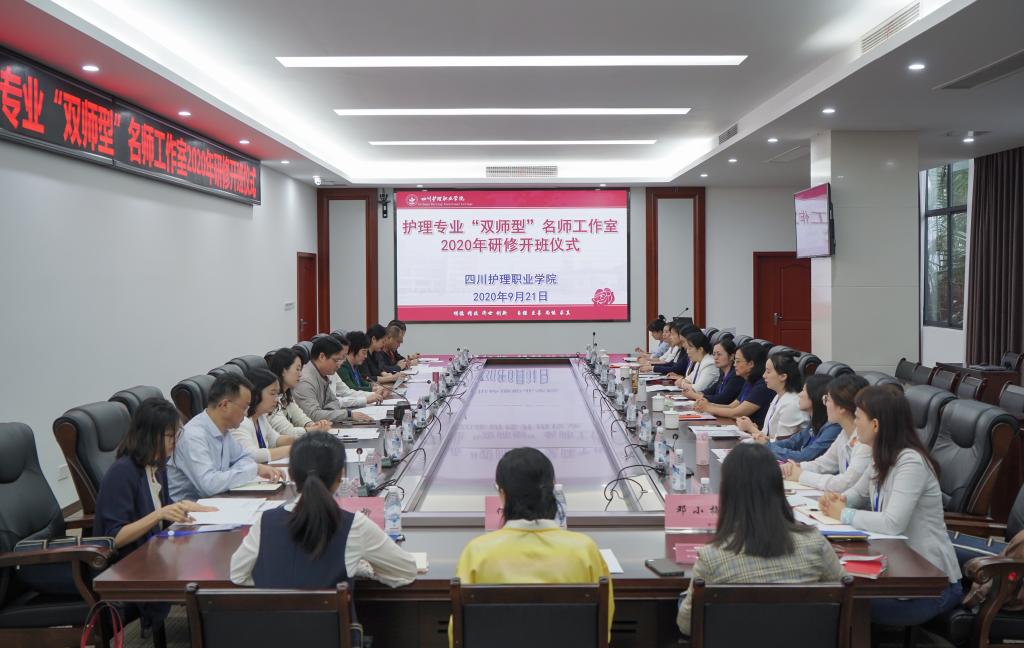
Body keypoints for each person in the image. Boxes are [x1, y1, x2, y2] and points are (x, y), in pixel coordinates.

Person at [820, 386, 962, 625]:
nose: (855, 423)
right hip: (896, 568)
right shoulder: (881, 454)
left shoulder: (910, 462)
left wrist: (844, 514)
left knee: (839, 603)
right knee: (833, 593)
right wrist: (839, 500)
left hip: (931, 586)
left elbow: (892, 523)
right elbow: (857, 494)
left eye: (858, 417)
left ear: (875, 425)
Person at [676, 443, 845, 636]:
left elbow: (687, 625)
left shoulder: (712, 557)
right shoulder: (815, 543)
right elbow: (843, 593)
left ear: (728, 493)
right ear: (778, 489)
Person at [451, 448, 614, 646]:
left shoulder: (476, 552)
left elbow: (458, 633)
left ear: (502, 494)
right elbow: (603, 626)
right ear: (552, 490)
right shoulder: (585, 549)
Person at [230, 432, 417, 589]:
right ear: (341, 475)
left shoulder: (266, 522)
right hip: (336, 625)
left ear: (291, 474)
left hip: (271, 624)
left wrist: (275, 582)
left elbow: (237, 575)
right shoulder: (354, 525)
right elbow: (407, 570)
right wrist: (360, 568)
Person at [93, 398, 215, 631]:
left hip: (153, 550)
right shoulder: (123, 472)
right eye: (170, 436)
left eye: (176, 435)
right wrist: (159, 514)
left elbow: (164, 510)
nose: (175, 442)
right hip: (128, 562)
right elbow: (113, 537)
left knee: (207, 555)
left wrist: (186, 508)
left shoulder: (157, 465)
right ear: (149, 435)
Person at [168, 373, 284, 501]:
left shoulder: (224, 430)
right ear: (225, 405)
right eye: (244, 407)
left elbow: (245, 458)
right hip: (188, 509)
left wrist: (231, 474)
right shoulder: (193, 436)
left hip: (217, 500)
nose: (246, 414)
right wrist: (254, 470)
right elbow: (209, 485)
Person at [782, 374, 871, 492]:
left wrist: (801, 475)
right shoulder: (845, 433)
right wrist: (797, 467)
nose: (825, 404)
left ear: (842, 407)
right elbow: (824, 463)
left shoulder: (866, 443)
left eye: (827, 399)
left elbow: (845, 483)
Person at [293, 336, 372, 424]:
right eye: (335, 360)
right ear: (322, 357)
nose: (338, 365)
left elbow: (333, 401)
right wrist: (348, 415)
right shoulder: (305, 381)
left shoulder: (322, 374)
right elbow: (313, 415)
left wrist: (328, 413)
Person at [762, 374, 841, 462]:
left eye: (803, 390)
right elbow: (793, 442)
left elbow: (803, 457)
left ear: (815, 395)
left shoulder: (833, 428)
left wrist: (767, 446)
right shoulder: (815, 421)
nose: (799, 395)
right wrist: (764, 445)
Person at [694, 342, 774, 427]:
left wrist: (708, 408)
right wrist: (708, 404)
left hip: (755, 432)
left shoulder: (762, 386)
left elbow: (736, 413)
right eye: (735, 361)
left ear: (751, 364)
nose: (734, 364)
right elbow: (732, 406)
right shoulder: (749, 381)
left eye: (738, 361)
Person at [735, 351, 808, 441]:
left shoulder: (792, 404)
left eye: (768, 372)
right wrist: (753, 429)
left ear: (783, 376)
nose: (764, 375)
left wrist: (751, 428)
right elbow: (768, 435)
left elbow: (780, 444)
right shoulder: (778, 396)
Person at [231, 368, 296, 463]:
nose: (276, 399)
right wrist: (292, 449)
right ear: (256, 393)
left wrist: (304, 442)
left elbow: (276, 439)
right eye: (272, 393)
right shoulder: (240, 422)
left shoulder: (260, 417)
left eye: (277, 394)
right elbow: (252, 455)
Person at [266, 347, 332, 437]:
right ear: (283, 371)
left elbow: (300, 417)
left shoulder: (286, 396)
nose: (300, 374)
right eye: (297, 369)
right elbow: (288, 433)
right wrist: (314, 429)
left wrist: (315, 425)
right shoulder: (271, 400)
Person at [681, 339, 744, 405]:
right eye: (714, 354)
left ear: (731, 356)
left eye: (719, 354)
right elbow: (711, 390)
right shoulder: (723, 373)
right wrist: (697, 393)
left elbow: (722, 399)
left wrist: (695, 396)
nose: (715, 358)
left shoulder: (736, 375)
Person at [339, 331, 385, 401]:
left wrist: (373, 385)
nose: (366, 356)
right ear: (353, 350)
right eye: (364, 352)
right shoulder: (342, 366)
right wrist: (372, 389)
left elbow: (361, 382)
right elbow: (351, 389)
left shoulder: (355, 365)